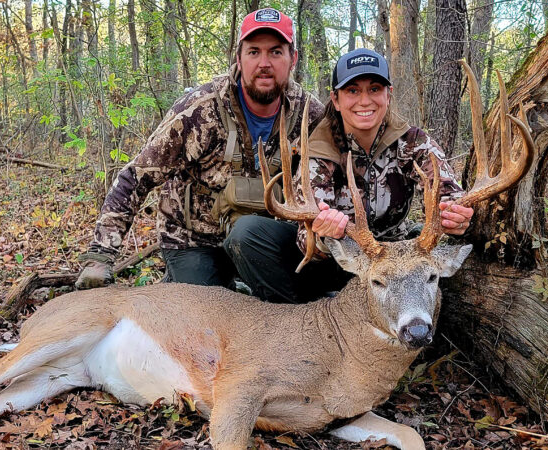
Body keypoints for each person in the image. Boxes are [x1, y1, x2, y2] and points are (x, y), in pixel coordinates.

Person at [75, 8, 324, 291]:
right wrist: (100, 255)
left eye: (276, 52)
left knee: (298, 301)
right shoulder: (199, 110)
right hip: (194, 241)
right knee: (205, 318)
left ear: (293, 59)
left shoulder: (309, 114)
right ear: (238, 58)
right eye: (254, 52)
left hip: (259, 239)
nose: (264, 63)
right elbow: (135, 177)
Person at [227, 48, 474, 301]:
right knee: (248, 233)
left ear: (388, 95)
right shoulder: (318, 148)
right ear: (335, 99)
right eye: (352, 91)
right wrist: (322, 234)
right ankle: (295, 316)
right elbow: (305, 237)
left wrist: (455, 215)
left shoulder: (413, 142)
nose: (364, 101)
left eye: (375, 89)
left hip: (394, 261)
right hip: (336, 261)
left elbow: (448, 193)